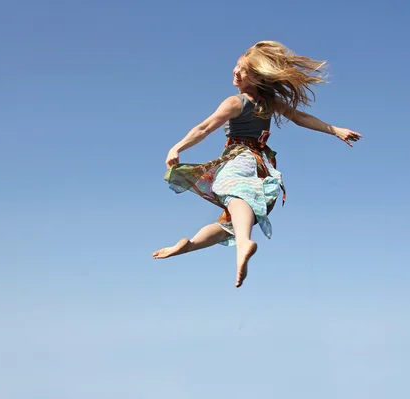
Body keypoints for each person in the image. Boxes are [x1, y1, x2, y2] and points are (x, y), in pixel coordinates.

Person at [152, 40, 362, 288]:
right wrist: (335, 130)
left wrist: (177, 146)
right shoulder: (269, 103)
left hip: (240, 157)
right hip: (261, 166)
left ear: (257, 76)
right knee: (231, 221)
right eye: (236, 67)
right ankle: (191, 245)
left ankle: (243, 244)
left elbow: (205, 127)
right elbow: (300, 117)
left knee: (233, 191)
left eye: (243, 70)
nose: (236, 72)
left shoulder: (235, 102)